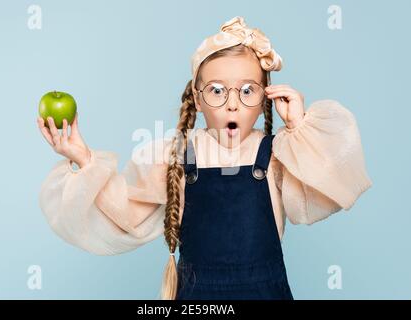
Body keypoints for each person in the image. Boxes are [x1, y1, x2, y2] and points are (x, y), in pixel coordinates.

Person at [37, 16, 372, 300]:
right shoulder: (175, 156)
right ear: (197, 98)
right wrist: (83, 159)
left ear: (264, 96)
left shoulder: (277, 154)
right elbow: (124, 212)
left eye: (246, 90)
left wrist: (299, 126)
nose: (231, 104)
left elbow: (333, 186)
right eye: (216, 90)